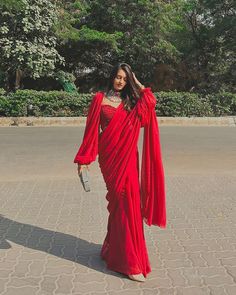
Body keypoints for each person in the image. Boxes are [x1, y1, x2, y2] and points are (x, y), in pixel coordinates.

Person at [73, 62, 166, 282]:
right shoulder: (98, 99)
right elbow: (90, 131)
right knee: (119, 203)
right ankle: (124, 260)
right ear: (111, 77)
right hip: (109, 159)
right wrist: (84, 161)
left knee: (128, 205)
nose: (120, 81)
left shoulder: (132, 103)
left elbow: (151, 102)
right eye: (118, 77)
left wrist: (139, 85)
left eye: (125, 78)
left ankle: (125, 257)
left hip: (128, 159)